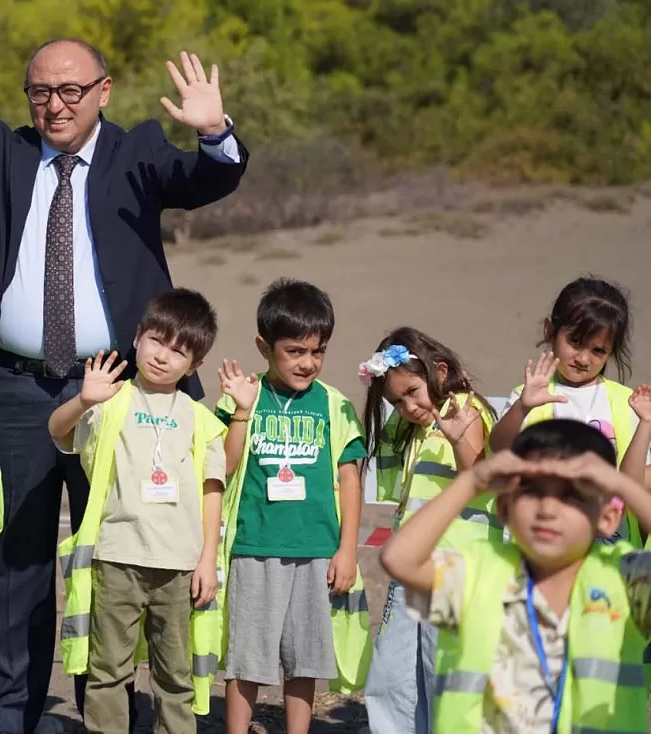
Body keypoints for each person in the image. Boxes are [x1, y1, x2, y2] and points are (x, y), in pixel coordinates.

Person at [0, 33, 249, 734]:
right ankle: (12, 712)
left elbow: (206, 180)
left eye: (72, 89)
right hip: (13, 387)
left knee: (121, 550)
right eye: (41, 90)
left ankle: (106, 712)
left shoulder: (138, 153)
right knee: (20, 558)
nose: (55, 104)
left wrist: (215, 132)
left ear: (104, 91)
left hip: (123, 387)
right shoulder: (0, 151)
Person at [380, 420, 651, 733]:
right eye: (532, 492)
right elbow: (398, 559)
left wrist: (621, 485)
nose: (548, 508)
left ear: (608, 517)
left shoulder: (622, 575)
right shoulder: (480, 569)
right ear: (505, 508)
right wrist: (471, 481)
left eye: (571, 495)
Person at [47, 288, 226, 734]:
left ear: (196, 364)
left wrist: (207, 559)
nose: (163, 356)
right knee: (108, 670)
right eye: (156, 341)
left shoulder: (200, 419)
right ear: (138, 336)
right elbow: (57, 431)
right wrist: (84, 400)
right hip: (118, 556)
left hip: (180, 566)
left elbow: (211, 491)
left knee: (176, 676)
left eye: (179, 350)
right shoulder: (110, 400)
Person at [214, 278, 371, 734]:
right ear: (265, 346)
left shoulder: (335, 404)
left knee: (305, 658)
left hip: (316, 550)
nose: (308, 363)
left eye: (318, 351)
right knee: (246, 657)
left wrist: (347, 551)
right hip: (253, 545)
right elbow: (223, 464)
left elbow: (350, 480)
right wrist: (241, 411)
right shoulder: (243, 395)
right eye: (295, 351)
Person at [357, 328, 499, 734]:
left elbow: (476, 476)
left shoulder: (463, 409)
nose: (408, 406)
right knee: (392, 672)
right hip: (412, 567)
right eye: (396, 401)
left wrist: (457, 440)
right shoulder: (414, 430)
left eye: (413, 391)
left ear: (438, 370)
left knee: (443, 672)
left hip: (455, 567)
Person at [488, 276, 648, 544]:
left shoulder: (627, 403)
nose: (584, 359)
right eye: (575, 341)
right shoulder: (528, 394)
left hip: (606, 549)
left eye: (598, 350)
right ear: (550, 330)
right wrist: (522, 407)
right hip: (537, 542)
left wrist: (646, 424)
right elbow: (499, 448)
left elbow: (633, 486)